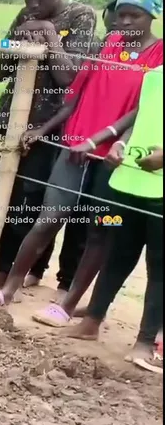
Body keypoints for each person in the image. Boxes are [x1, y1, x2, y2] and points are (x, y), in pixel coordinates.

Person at [0, 0, 163, 317]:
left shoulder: (159, 55)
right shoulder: (106, 45)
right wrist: (46, 129)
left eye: (134, 15)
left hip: (114, 156)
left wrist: (108, 140)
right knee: (48, 219)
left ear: (153, 15)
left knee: (100, 230)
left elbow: (144, 110)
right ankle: (8, 290)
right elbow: (75, 94)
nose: (124, 22)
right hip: (74, 146)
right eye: (121, 14)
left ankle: (66, 305)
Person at [0, 0, 97, 293]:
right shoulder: (24, 15)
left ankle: (8, 272)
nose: (33, 4)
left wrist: (48, 35)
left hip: (47, 125)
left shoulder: (80, 16)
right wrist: (17, 42)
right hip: (7, 118)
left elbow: (69, 78)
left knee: (28, 200)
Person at [63, 76, 163, 371]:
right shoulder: (155, 75)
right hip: (131, 179)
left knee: (159, 267)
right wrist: (121, 143)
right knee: (118, 254)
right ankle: (92, 320)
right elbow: (143, 117)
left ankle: (144, 342)